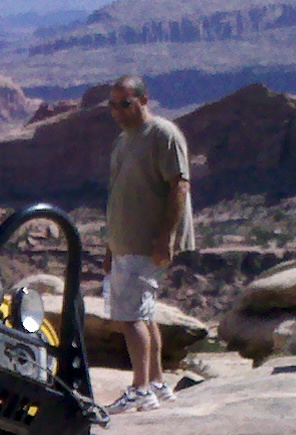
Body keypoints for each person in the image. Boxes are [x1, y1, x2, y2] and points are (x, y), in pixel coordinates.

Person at [102, 75, 194, 414]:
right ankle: (156, 382)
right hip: (125, 240)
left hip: (145, 241)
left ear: (143, 100)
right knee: (144, 312)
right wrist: (110, 245)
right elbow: (118, 194)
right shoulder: (123, 141)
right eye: (113, 105)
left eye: (125, 104)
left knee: (130, 317)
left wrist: (165, 237)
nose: (118, 111)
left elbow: (179, 185)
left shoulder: (162, 134)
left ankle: (139, 390)